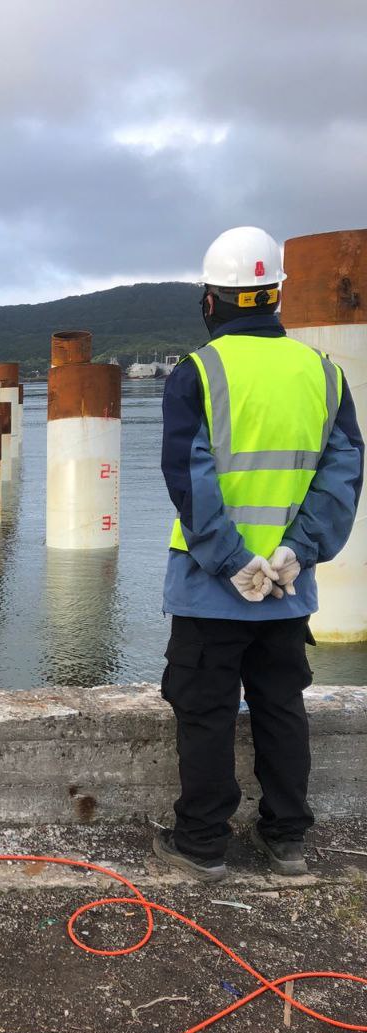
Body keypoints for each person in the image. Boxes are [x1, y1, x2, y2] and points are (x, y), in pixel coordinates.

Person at [157, 226, 363, 882]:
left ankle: (202, 844)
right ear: (276, 293)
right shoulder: (324, 374)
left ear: (210, 301)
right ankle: (287, 841)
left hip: (210, 588)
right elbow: (343, 473)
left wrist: (231, 561)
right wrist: (298, 550)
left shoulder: (198, 372)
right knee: (281, 708)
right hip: (287, 590)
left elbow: (189, 477)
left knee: (205, 711)